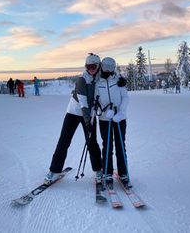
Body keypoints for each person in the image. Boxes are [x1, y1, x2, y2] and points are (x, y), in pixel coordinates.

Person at [44, 53, 102, 184]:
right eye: (88, 66)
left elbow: (112, 78)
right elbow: (83, 103)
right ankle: (54, 171)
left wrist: (122, 83)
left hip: (90, 114)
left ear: (98, 66)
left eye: (94, 66)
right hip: (74, 112)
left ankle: (99, 170)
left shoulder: (100, 79)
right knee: (64, 141)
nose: (91, 68)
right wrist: (87, 122)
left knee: (92, 143)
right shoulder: (82, 80)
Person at [95, 57, 129, 187]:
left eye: (111, 67)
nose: (108, 70)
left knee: (120, 145)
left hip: (120, 118)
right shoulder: (98, 82)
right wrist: (104, 112)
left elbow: (125, 97)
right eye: (106, 67)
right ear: (102, 67)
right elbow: (96, 101)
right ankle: (107, 172)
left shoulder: (118, 80)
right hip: (105, 119)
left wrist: (121, 112)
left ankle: (123, 172)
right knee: (107, 145)